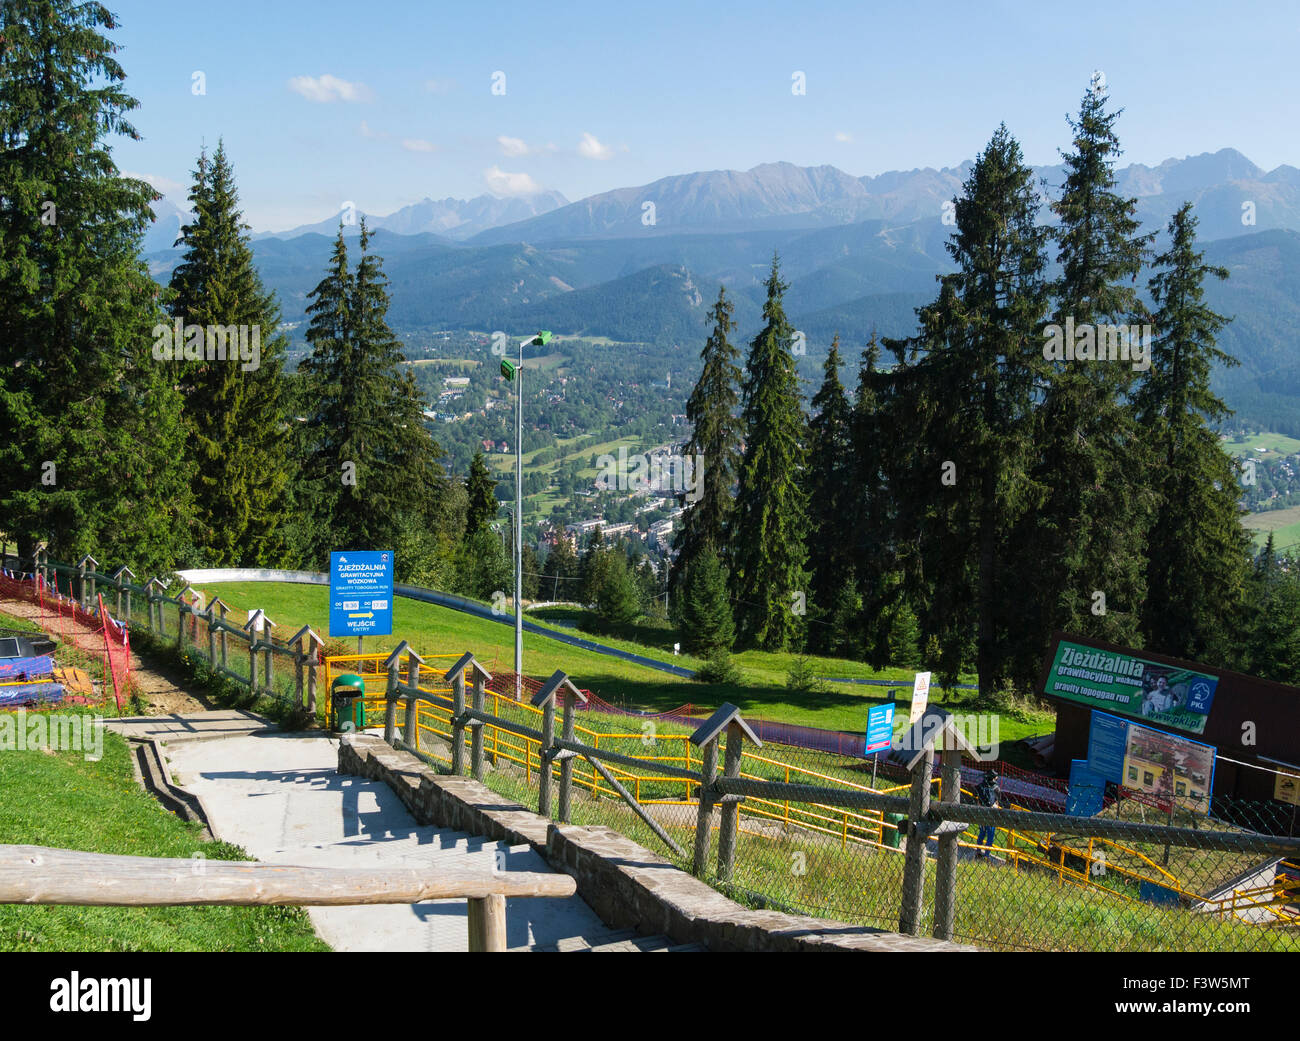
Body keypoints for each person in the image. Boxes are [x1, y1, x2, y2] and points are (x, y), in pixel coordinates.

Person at [975, 768, 1000, 857]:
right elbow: (997, 802)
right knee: (990, 835)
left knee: (982, 832)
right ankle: (987, 855)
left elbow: (978, 800)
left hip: (982, 811)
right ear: (994, 778)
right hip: (991, 813)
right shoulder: (996, 788)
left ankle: (978, 851)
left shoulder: (981, 786)